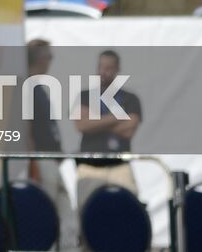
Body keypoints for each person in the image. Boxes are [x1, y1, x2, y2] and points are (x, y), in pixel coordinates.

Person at [74, 49, 143, 226]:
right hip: (90, 166)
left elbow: (129, 129)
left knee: (128, 213)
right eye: (101, 67)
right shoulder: (84, 96)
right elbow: (82, 124)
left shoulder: (130, 98)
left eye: (109, 68)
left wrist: (95, 119)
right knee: (87, 217)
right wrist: (117, 116)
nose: (104, 72)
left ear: (117, 69)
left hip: (119, 165)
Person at [25, 38, 78, 249]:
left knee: (65, 217)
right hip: (42, 161)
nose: (50, 61)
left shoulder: (36, 87)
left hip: (50, 161)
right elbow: (26, 129)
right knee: (48, 217)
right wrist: (34, 164)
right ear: (40, 59)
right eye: (49, 56)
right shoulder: (27, 87)